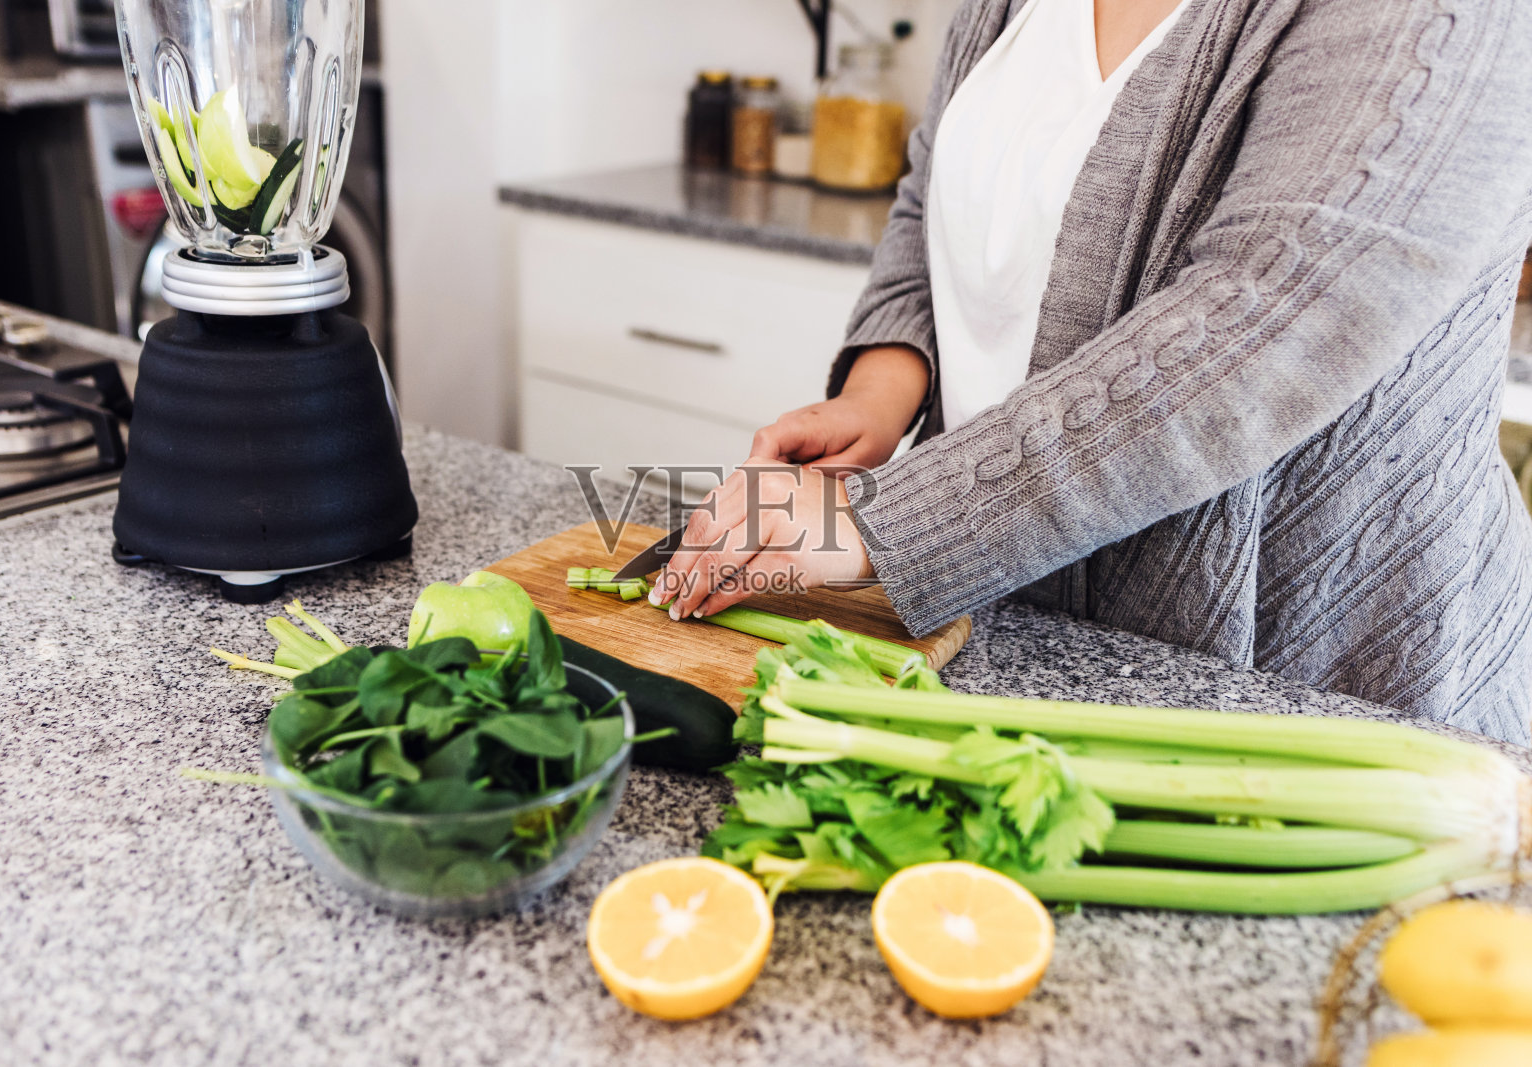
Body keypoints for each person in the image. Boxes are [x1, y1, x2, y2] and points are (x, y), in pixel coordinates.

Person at [653, 0, 1532, 745]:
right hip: (1005, 629)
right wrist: (880, 388)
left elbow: (1260, 328)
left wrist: (886, 521)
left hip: (1313, 696)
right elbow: (935, 185)